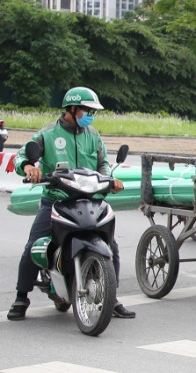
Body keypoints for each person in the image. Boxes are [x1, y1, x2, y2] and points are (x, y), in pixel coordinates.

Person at [7, 87, 135, 321]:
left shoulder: (93, 135)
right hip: (57, 200)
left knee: (112, 246)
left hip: (90, 200)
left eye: (92, 111)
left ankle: (112, 297)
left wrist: (111, 179)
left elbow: (103, 164)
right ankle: (21, 296)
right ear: (72, 109)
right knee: (34, 245)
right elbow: (22, 156)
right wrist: (29, 167)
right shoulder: (48, 134)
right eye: (87, 110)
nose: (90, 115)